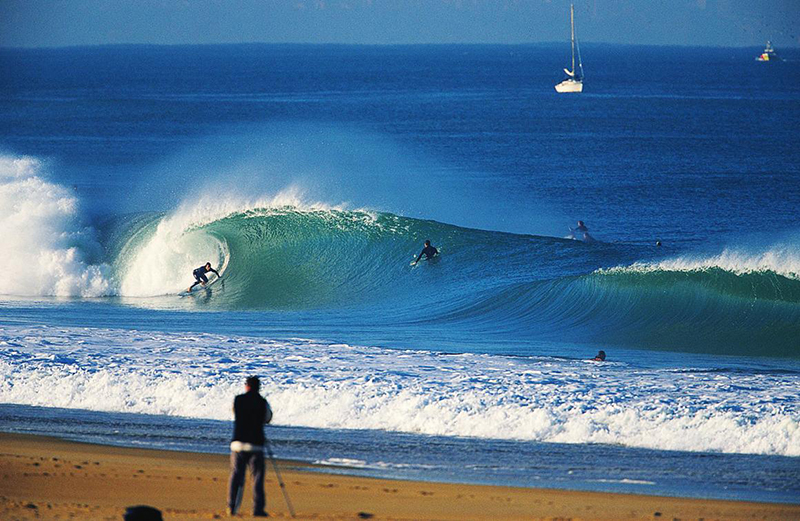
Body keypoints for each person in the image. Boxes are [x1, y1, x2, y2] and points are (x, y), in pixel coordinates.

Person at [228, 376, 273, 517]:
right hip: (256, 444)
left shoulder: (238, 400)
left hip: (238, 443)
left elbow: (235, 413)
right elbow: (268, 418)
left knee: (236, 476)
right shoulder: (262, 402)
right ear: (259, 388)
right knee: (257, 478)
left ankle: (231, 506)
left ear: (246, 386)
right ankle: (257, 509)